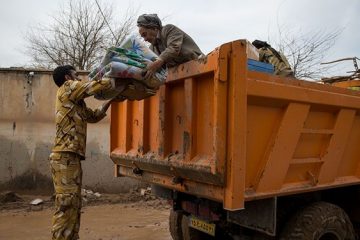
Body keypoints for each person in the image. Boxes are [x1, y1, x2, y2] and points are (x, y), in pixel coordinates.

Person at [49, 65, 119, 240]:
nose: (79, 78)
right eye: (76, 75)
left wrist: (111, 101)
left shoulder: (75, 102)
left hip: (71, 157)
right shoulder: (67, 88)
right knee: (66, 204)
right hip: (64, 156)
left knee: (73, 203)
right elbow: (93, 86)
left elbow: (93, 116)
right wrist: (117, 78)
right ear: (67, 78)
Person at [137, 13, 204, 80]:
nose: (145, 39)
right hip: (181, 77)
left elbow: (174, 48)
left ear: (155, 28)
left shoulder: (168, 29)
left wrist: (157, 63)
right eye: (143, 37)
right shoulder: (152, 48)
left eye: (145, 34)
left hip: (201, 67)